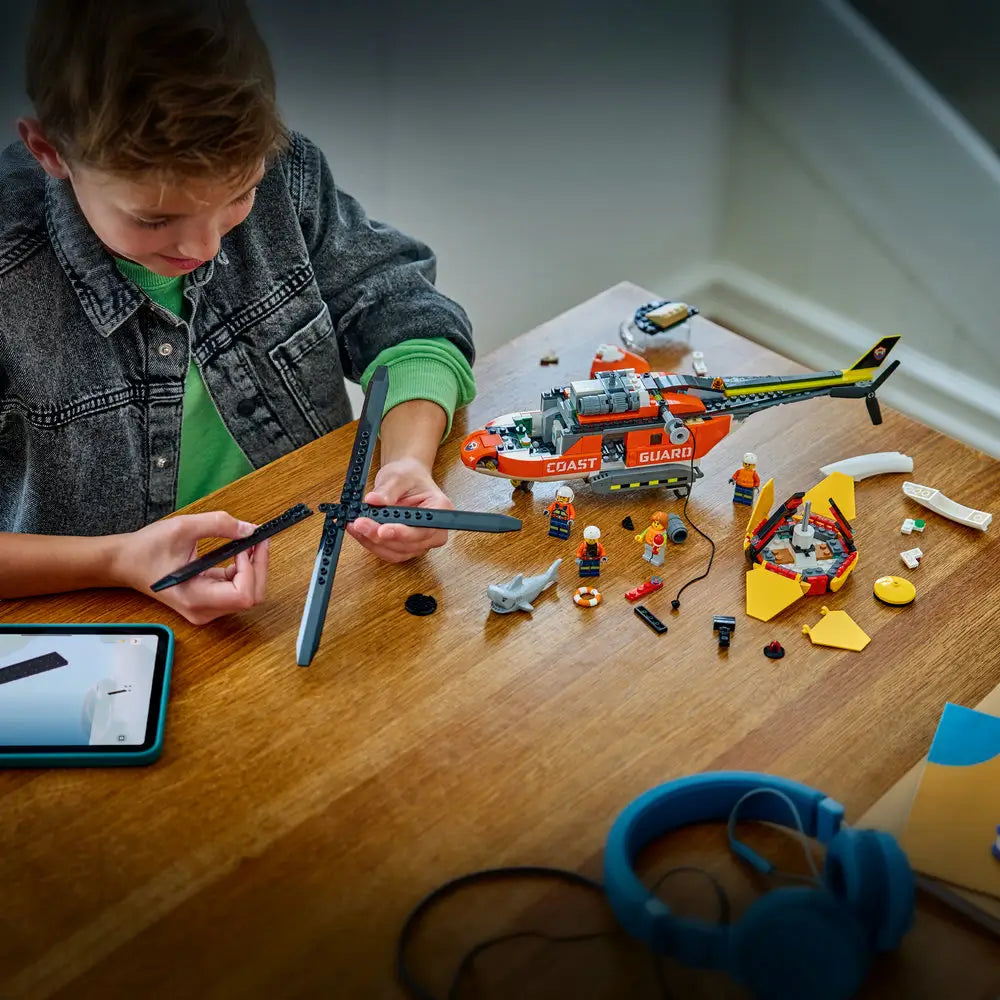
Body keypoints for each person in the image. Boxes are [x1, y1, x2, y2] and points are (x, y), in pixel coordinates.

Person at [0, 0, 476, 624]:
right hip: (95, 630)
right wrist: (116, 560)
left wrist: (407, 458)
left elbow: (408, 319)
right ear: (50, 152)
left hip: (318, 584)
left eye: (239, 194)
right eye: (155, 218)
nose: (204, 249)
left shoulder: (288, 174)